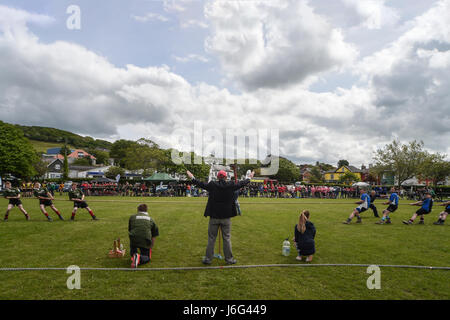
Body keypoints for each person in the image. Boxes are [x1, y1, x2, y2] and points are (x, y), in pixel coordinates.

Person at [187, 169, 254, 265]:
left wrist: (192, 177)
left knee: (211, 239)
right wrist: (249, 178)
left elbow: (201, 184)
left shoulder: (213, 185)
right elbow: (241, 184)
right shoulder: (230, 185)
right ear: (226, 177)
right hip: (226, 217)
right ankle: (229, 259)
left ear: (218, 177)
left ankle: (208, 259)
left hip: (214, 216)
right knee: (226, 238)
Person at [128, 204, 159, 268]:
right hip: (145, 240)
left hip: (133, 239)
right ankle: (139, 257)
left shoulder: (132, 217)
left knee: (133, 252)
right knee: (147, 257)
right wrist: (151, 246)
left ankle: (134, 254)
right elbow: (154, 235)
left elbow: (130, 230)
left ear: (138, 209)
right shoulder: (151, 219)